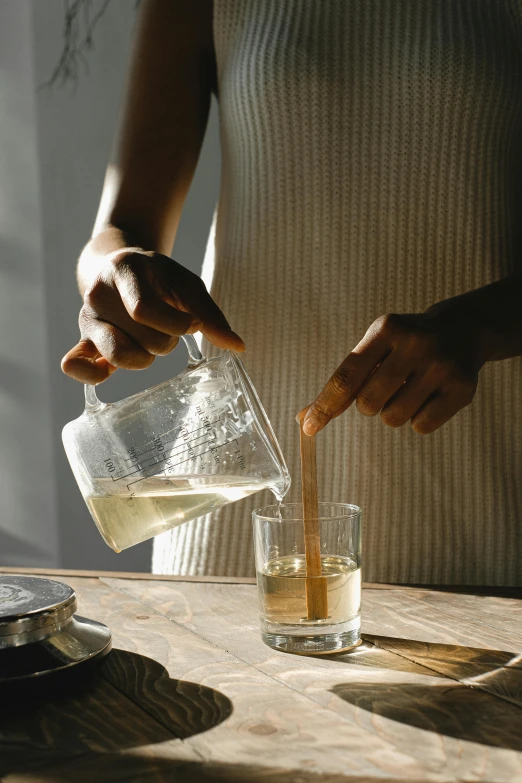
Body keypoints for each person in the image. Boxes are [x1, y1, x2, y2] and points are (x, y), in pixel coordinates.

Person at [62, 0, 522, 585]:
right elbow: (120, 227)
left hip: (479, 496)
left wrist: (477, 326)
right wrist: (117, 274)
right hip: (232, 505)